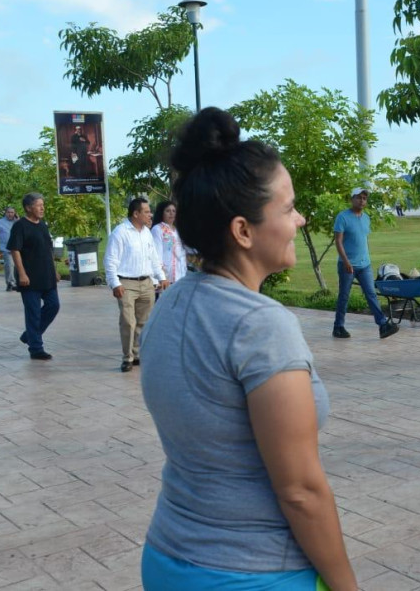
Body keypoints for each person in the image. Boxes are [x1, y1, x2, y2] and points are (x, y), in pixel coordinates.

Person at [138, 106, 356, 591]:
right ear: (243, 231)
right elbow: (300, 491)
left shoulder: (170, 304)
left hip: (167, 556)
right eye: (288, 209)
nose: (300, 219)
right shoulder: (260, 325)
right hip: (252, 571)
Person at [105, 198, 169, 373]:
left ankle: (136, 354)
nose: (150, 215)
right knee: (128, 322)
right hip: (126, 283)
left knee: (143, 322)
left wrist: (161, 277)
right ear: (136, 213)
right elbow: (110, 260)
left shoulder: (146, 233)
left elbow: (153, 258)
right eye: (146, 211)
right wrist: (115, 283)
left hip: (147, 283)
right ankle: (127, 357)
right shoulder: (120, 233)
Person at [332, 188, 398, 340]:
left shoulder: (366, 218)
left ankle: (383, 325)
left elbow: (363, 240)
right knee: (344, 296)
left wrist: (367, 258)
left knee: (371, 294)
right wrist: (346, 261)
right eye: (358, 197)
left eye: (364, 198)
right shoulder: (342, 217)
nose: (362, 201)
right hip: (347, 265)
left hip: (365, 265)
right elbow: (338, 241)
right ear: (352, 199)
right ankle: (338, 327)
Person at [8, 193, 60, 361]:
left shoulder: (43, 225)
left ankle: (29, 335)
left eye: (43, 205)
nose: (42, 208)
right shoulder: (20, 226)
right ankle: (36, 348)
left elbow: (49, 249)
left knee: (53, 306)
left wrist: (54, 270)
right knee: (33, 313)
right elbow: (15, 250)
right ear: (28, 208)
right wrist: (22, 273)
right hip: (29, 278)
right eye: (39, 205)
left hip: (47, 276)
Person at [151, 201, 187, 285]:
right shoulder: (157, 229)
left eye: (174, 211)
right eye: (168, 211)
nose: (171, 213)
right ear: (161, 213)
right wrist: (161, 274)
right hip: (165, 276)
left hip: (181, 275)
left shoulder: (178, 230)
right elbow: (156, 253)